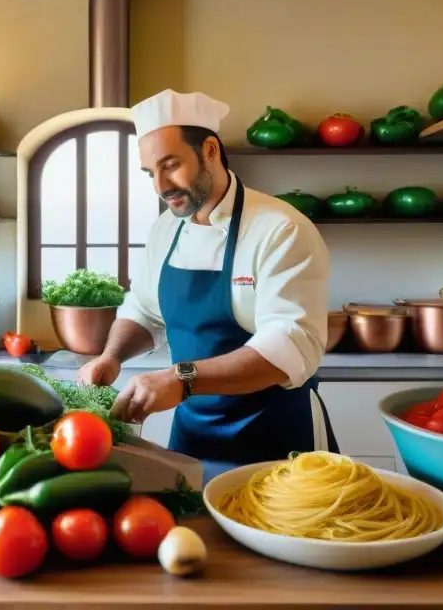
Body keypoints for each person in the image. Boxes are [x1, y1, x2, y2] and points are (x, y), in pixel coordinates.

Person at [77, 89, 338, 482]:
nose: (161, 186)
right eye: (151, 173)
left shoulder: (281, 229)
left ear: (211, 150)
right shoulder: (166, 229)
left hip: (279, 441)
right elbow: (143, 311)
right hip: (194, 438)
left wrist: (179, 379)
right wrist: (111, 356)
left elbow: (290, 344)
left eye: (171, 165)